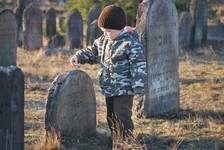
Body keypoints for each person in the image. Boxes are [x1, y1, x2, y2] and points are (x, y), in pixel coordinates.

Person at [70, 4, 146, 144]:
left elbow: (139, 65)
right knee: (110, 115)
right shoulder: (103, 41)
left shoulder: (130, 43)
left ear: (120, 28)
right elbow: (92, 51)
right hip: (109, 88)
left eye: (108, 31)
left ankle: (126, 141)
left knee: (122, 116)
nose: (105, 34)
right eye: (103, 31)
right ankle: (115, 138)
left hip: (124, 89)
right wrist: (79, 56)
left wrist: (139, 86)